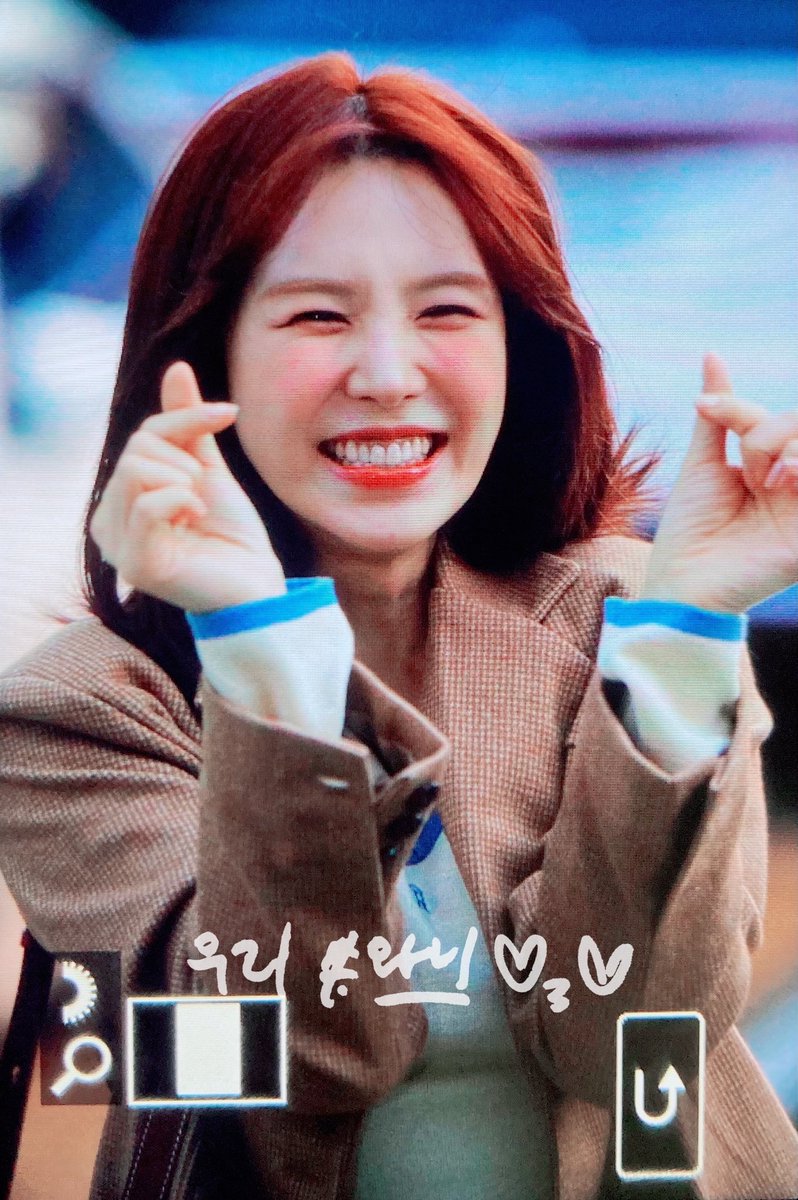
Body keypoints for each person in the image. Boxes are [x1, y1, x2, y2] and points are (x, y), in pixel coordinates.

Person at [1, 52, 797, 1200]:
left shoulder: (631, 624)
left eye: (447, 310)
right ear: (202, 358)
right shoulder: (75, 716)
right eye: (318, 315)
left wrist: (687, 627)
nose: (387, 373)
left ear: (522, 346)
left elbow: (631, 1034)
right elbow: (297, 1062)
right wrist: (261, 649)